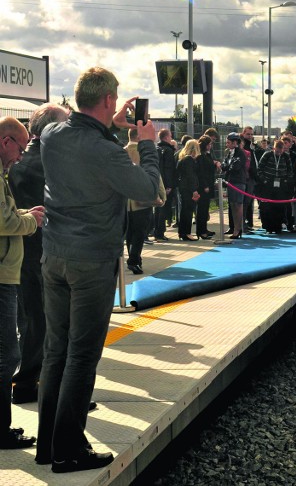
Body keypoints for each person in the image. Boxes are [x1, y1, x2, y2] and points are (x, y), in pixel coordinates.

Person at [36, 66, 160, 473]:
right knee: (82, 356)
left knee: (56, 351)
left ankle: (49, 445)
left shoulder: (53, 136)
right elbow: (146, 190)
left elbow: (83, 138)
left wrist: (112, 127)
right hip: (91, 261)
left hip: (54, 256)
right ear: (109, 100)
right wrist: (147, 144)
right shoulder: (105, 151)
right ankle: (70, 449)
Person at [8, 104, 68, 405]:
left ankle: (32, 381)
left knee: (32, 320)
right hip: (39, 252)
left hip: (23, 252)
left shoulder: (19, 161)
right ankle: (29, 382)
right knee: (41, 321)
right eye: (64, 126)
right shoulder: (45, 162)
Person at [0, 116, 45, 449]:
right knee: (8, 354)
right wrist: (31, 220)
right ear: (6, 141)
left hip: (8, 272)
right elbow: (3, 220)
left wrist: (23, 215)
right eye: (21, 146)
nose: (21, 155)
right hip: (2, 275)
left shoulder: (4, 174)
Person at [125, 128, 166, 274]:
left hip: (124, 201)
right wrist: (161, 195)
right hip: (142, 197)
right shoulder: (144, 152)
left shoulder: (121, 151)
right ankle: (134, 260)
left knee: (129, 232)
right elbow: (154, 174)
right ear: (140, 136)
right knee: (140, 231)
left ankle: (133, 257)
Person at [257, 139, 292, 234]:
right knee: (267, 206)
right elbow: (259, 169)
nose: (279, 153)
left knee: (279, 206)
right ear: (274, 148)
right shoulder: (267, 155)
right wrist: (264, 180)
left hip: (281, 183)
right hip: (268, 183)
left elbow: (290, 170)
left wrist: (286, 180)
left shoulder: (286, 156)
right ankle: (268, 227)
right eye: (277, 151)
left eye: (281, 151)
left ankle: (278, 227)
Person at [221, 132, 247, 239]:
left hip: (239, 182)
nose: (226, 144)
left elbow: (235, 167)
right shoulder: (229, 153)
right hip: (230, 181)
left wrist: (227, 166)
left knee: (238, 204)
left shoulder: (240, 153)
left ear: (235, 142)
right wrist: (227, 166)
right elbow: (224, 165)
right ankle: (235, 228)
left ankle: (238, 228)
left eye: (228, 142)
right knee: (232, 205)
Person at [153, 128, 176, 241]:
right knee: (163, 208)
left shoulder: (156, 149)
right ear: (166, 137)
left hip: (156, 181)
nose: (171, 138)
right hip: (165, 183)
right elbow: (169, 169)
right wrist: (169, 185)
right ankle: (160, 233)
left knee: (157, 208)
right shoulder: (168, 151)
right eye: (170, 136)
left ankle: (156, 230)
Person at [176, 139, 200, 241]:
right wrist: (194, 190)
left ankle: (183, 232)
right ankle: (186, 232)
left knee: (185, 210)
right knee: (188, 210)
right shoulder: (189, 160)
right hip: (188, 188)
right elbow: (191, 176)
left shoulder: (182, 159)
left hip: (183, 187)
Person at [195, 135, 218, 239]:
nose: (210, 146)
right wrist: (205, 185)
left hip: (209, 184)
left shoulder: (207, 155)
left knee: (205, 209)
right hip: (204, 186)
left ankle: (204, 229)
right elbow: (200, 172)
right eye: (209, 144)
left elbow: (209, 167)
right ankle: (201, 231)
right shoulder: (200, 156)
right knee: (202, 209)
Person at [241, 127, 258, 232]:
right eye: (248, 134)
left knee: (248, 203)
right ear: (243, 134)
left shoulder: (252, 146)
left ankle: (246, 223)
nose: (250, 136)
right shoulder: (244, 147)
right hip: (247, 177)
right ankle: (242, 224)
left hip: (251, 178)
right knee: (244, 203)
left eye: (252, 134)